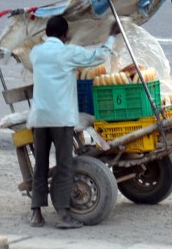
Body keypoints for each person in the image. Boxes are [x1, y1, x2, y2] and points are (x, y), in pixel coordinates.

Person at [27, 15, 120, 229]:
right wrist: (111, 37)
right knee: (64, 165)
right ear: (65, 34)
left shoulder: (36, 53)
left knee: (40, 164)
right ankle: (63, 213)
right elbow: (98, 57)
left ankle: (36, 213)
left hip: (39, 118)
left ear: (46, 33)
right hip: (60, 118)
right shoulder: (68, 52)